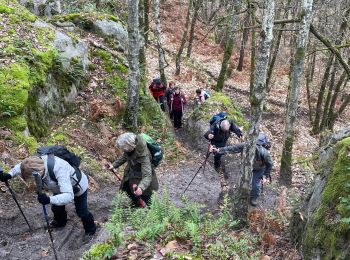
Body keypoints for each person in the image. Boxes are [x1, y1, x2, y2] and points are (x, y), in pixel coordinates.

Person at [0, 156, 96, 242]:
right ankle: (60, 222)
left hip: (77, 187)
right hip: (57, 186)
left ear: (37, 174)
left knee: (82, 211)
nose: (32, 182)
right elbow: (23, 166)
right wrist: (10, 174)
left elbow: (68, 196)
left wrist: (49, 199)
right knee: (57, 208)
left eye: (32, 179)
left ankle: (90, 230)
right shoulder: (35, 162)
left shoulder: (59, 168)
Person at [211, 133, 273, 206]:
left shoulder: (264, 153)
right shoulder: (245, 145)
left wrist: (265, 176)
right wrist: (218, 150)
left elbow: (270, 164)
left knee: (255, 185)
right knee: (243, 180)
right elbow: (232, 148)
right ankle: (242, 192)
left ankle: (254, 198)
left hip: (258, 169)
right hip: (246, 166)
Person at [109, 133, 159, 207]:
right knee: (130, 192)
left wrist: (141, 188)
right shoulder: (130, 149)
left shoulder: (144, 156)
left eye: (123, 148)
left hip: (143, 181)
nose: (122, 149)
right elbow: (124, 156)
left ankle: (150, 213)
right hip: (131, 176)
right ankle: (137, 204)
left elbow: (147, 175)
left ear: (129, 146)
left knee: (148, 200)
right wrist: (113, 165)